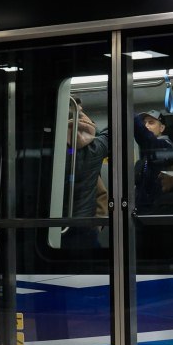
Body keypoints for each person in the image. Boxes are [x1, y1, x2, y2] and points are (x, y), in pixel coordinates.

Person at [64, 98, 108, 250]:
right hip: (86, 226)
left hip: (55, 225)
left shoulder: (55, 151)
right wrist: (82, 115)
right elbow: (109, 133)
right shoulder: (96, 149)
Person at [132, 109, 173, 213]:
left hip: (158, 211)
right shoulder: (147, 155)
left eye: (151, 122)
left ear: (162, 128)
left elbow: (147, 139)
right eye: (144, 123)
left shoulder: (166, 146)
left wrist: (132, 117)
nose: (146, 126)